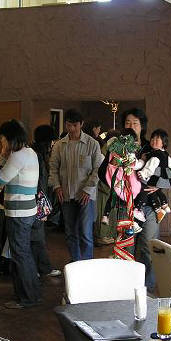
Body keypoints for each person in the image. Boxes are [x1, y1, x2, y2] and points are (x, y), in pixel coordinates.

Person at [0, 119, 42, 309]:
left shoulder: (17, 156)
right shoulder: (30, 152)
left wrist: (2, 156)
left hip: (18, 212)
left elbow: (0, 179)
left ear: (10, 139)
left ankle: (27, 298)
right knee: (23, 253)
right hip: (27, 210)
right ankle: (30, 294)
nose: (2, 142)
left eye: (3, 139)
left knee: (20, 254)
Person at [49, 109, 103, 262]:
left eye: (75, 125)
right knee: (70, 232)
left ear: (81, 124)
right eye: (68, 125)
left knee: (85, 232)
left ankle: (86, 264)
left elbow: (97, 170)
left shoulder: (92, 144)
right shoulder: (59, 145)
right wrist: (57, 186)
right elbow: (53, 168)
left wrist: (88, 189)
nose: (72, 129)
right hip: (66, 194)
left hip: (86, 195)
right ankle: (75, 262)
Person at [121, 108, 159, 289]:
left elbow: (164, 169)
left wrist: (159, 184)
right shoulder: (118, 146)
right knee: (126, 248)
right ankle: (127, 289)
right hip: (126, 205)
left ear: (142, 126)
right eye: (128, 123)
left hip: (149, 205)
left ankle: (147, 289)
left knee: (148, 248)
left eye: (135, 123)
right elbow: (104, 171)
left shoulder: (150, 147)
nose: (131, 126)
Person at [30, 124, 61, 278]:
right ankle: (41, 268)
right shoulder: (38, 156)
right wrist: (43, 206)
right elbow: (40, 183)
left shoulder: (34, 153)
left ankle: (39, 268)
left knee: (36, 236)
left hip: (33, 201)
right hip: (36, 202)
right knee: (37, 237)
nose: (53, 144)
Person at [135, 128, 171, 223]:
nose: (154, 141)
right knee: (155, 192)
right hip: (163, 177)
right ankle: (163, 206)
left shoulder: (155, 155)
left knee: (144, 190)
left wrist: (142, 173)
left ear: (163, 142)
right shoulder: (166, 154)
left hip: (154, 176)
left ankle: (137, 209)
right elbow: (169, 164)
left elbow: (150, 167)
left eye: (157, 139)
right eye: (152, 138)